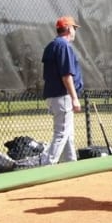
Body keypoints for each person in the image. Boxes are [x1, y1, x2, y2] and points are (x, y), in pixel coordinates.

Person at [42, 16, 84, 164]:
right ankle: (47, 165)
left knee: (68, 134)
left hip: (53, 95)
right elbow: (66, 75)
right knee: (61, 134)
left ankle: (71, 164)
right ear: (67, 28)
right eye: (74, 28)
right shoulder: (63, 45)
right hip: (62, 95)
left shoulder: (51, 45)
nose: (75, 31)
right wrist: (74, 97)